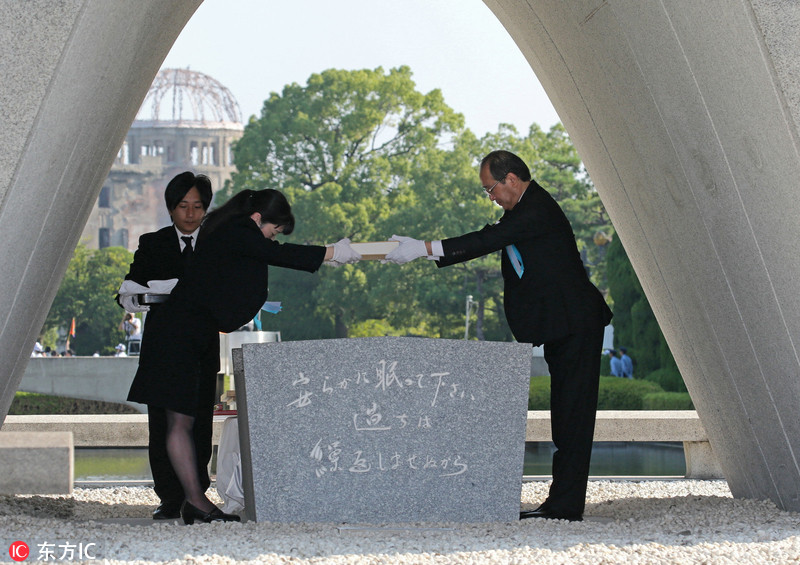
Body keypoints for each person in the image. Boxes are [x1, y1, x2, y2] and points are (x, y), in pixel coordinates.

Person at [384, 150, 612, 522]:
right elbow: (492, 237)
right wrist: (426, 251)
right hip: (563, 325)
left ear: (511, 179)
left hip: (576, 323)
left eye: (490, 189)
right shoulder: (522, 210)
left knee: (573, 416)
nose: (490, 197)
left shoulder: (535, 209)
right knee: (566, 415)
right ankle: (561, 502)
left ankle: (565, 506)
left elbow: (488, 240)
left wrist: (424, 249)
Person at [126, 188, 359, 524]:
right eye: (273, 230)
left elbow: (263, 256)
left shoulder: (225, 229)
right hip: (180, 335)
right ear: (257, 218)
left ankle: (193, 500)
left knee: (181, 422)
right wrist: (333, 252)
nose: (271, 238)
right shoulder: (238, 230)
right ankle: (194, 501)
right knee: (179, 423)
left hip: (183, 333)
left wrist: (329, 254)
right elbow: (279, 254)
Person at [116, 171, 216, 521]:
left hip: (203, 346)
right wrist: (139, 295)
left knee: (200, 422)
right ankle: (170, 497)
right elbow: (130, 288)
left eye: (197, 206)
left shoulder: (216, 244)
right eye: (183, 206)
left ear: (206, 209)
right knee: (161, 424)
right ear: (171, 208)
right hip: (163, 347)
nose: (190, 214)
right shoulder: (153, 243)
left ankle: (197, 492)